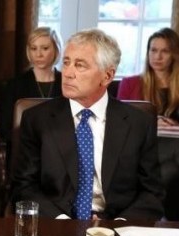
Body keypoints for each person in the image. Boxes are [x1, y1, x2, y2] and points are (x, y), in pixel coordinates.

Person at [10, 29, 164, 220]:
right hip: (56, 225)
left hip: (117, 226)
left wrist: (118, 225)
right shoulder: (37, 119)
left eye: (80, 65)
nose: (68, 73)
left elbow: (152, 193)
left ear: (107, 76)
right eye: (66, 63)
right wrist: (62, 222)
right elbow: (23, 187)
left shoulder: (138, 123)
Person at [0, 27, 63, 144]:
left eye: (45, 48)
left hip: (60, 147)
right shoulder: (15, 85)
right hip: (26, 148)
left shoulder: (67, 83)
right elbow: (5, 128)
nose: (38, 54)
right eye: (34, 48)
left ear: (56, 49)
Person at [117, 27, 179, 126]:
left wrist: (174, 126)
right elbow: (119, 120)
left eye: (165, 51)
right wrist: (153, 123)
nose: (158, 57)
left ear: (174, 55)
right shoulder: (129, 84)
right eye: (153, 50)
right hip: (141, 140)